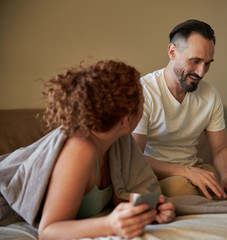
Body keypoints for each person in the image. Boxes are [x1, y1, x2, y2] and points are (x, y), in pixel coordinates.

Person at [0, 60, 175, 239]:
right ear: (126, 119)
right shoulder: (80, 148)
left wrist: (150, 211)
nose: (144, 109)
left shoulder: (118, 142)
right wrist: (109, 224)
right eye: (142, 103)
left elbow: (122, 193)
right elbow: (48, 231)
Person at [132, 19, 227, 200]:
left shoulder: (210, 94)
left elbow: (221, 149)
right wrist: (186, 172)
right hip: (158, 175)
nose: (201, 72)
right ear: (172, 52)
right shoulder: (143, 92)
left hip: (196, 169)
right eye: (195, 61)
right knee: (181, 187)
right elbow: (134, 158)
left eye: (208, 63)